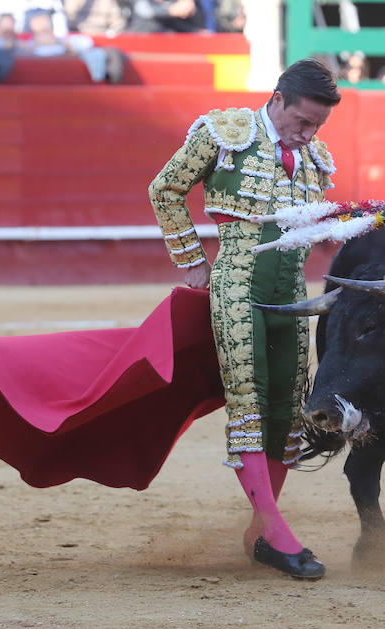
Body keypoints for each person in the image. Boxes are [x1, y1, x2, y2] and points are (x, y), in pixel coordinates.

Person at [148, 58, 341, 579]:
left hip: (292, 294)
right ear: (277, 99)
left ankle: (262, 531)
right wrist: (192, 261)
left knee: (286, 409)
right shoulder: (226, 132)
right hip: (237, 285)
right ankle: (277, 534)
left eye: (318, 125)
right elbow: (164, 189)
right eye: (302, 121)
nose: (309, 133)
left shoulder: (317, 157)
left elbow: (319, 229)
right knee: (250, 402)